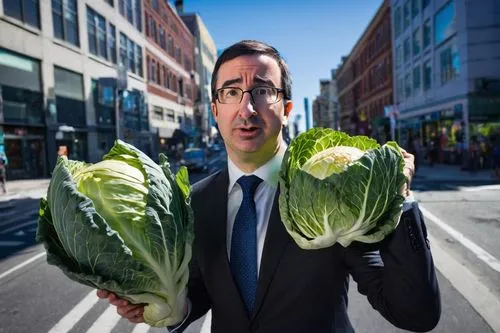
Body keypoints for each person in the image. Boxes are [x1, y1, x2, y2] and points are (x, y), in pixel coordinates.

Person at [97, 40, 440, 332]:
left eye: (262, 91)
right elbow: (202, 289)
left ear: (287, 108)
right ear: (215, 109)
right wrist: (166, 304)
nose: (246, 109)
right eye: (231, 92)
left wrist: (399, 200)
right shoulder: (196, 201)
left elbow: (414, 313)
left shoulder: (329, 191)